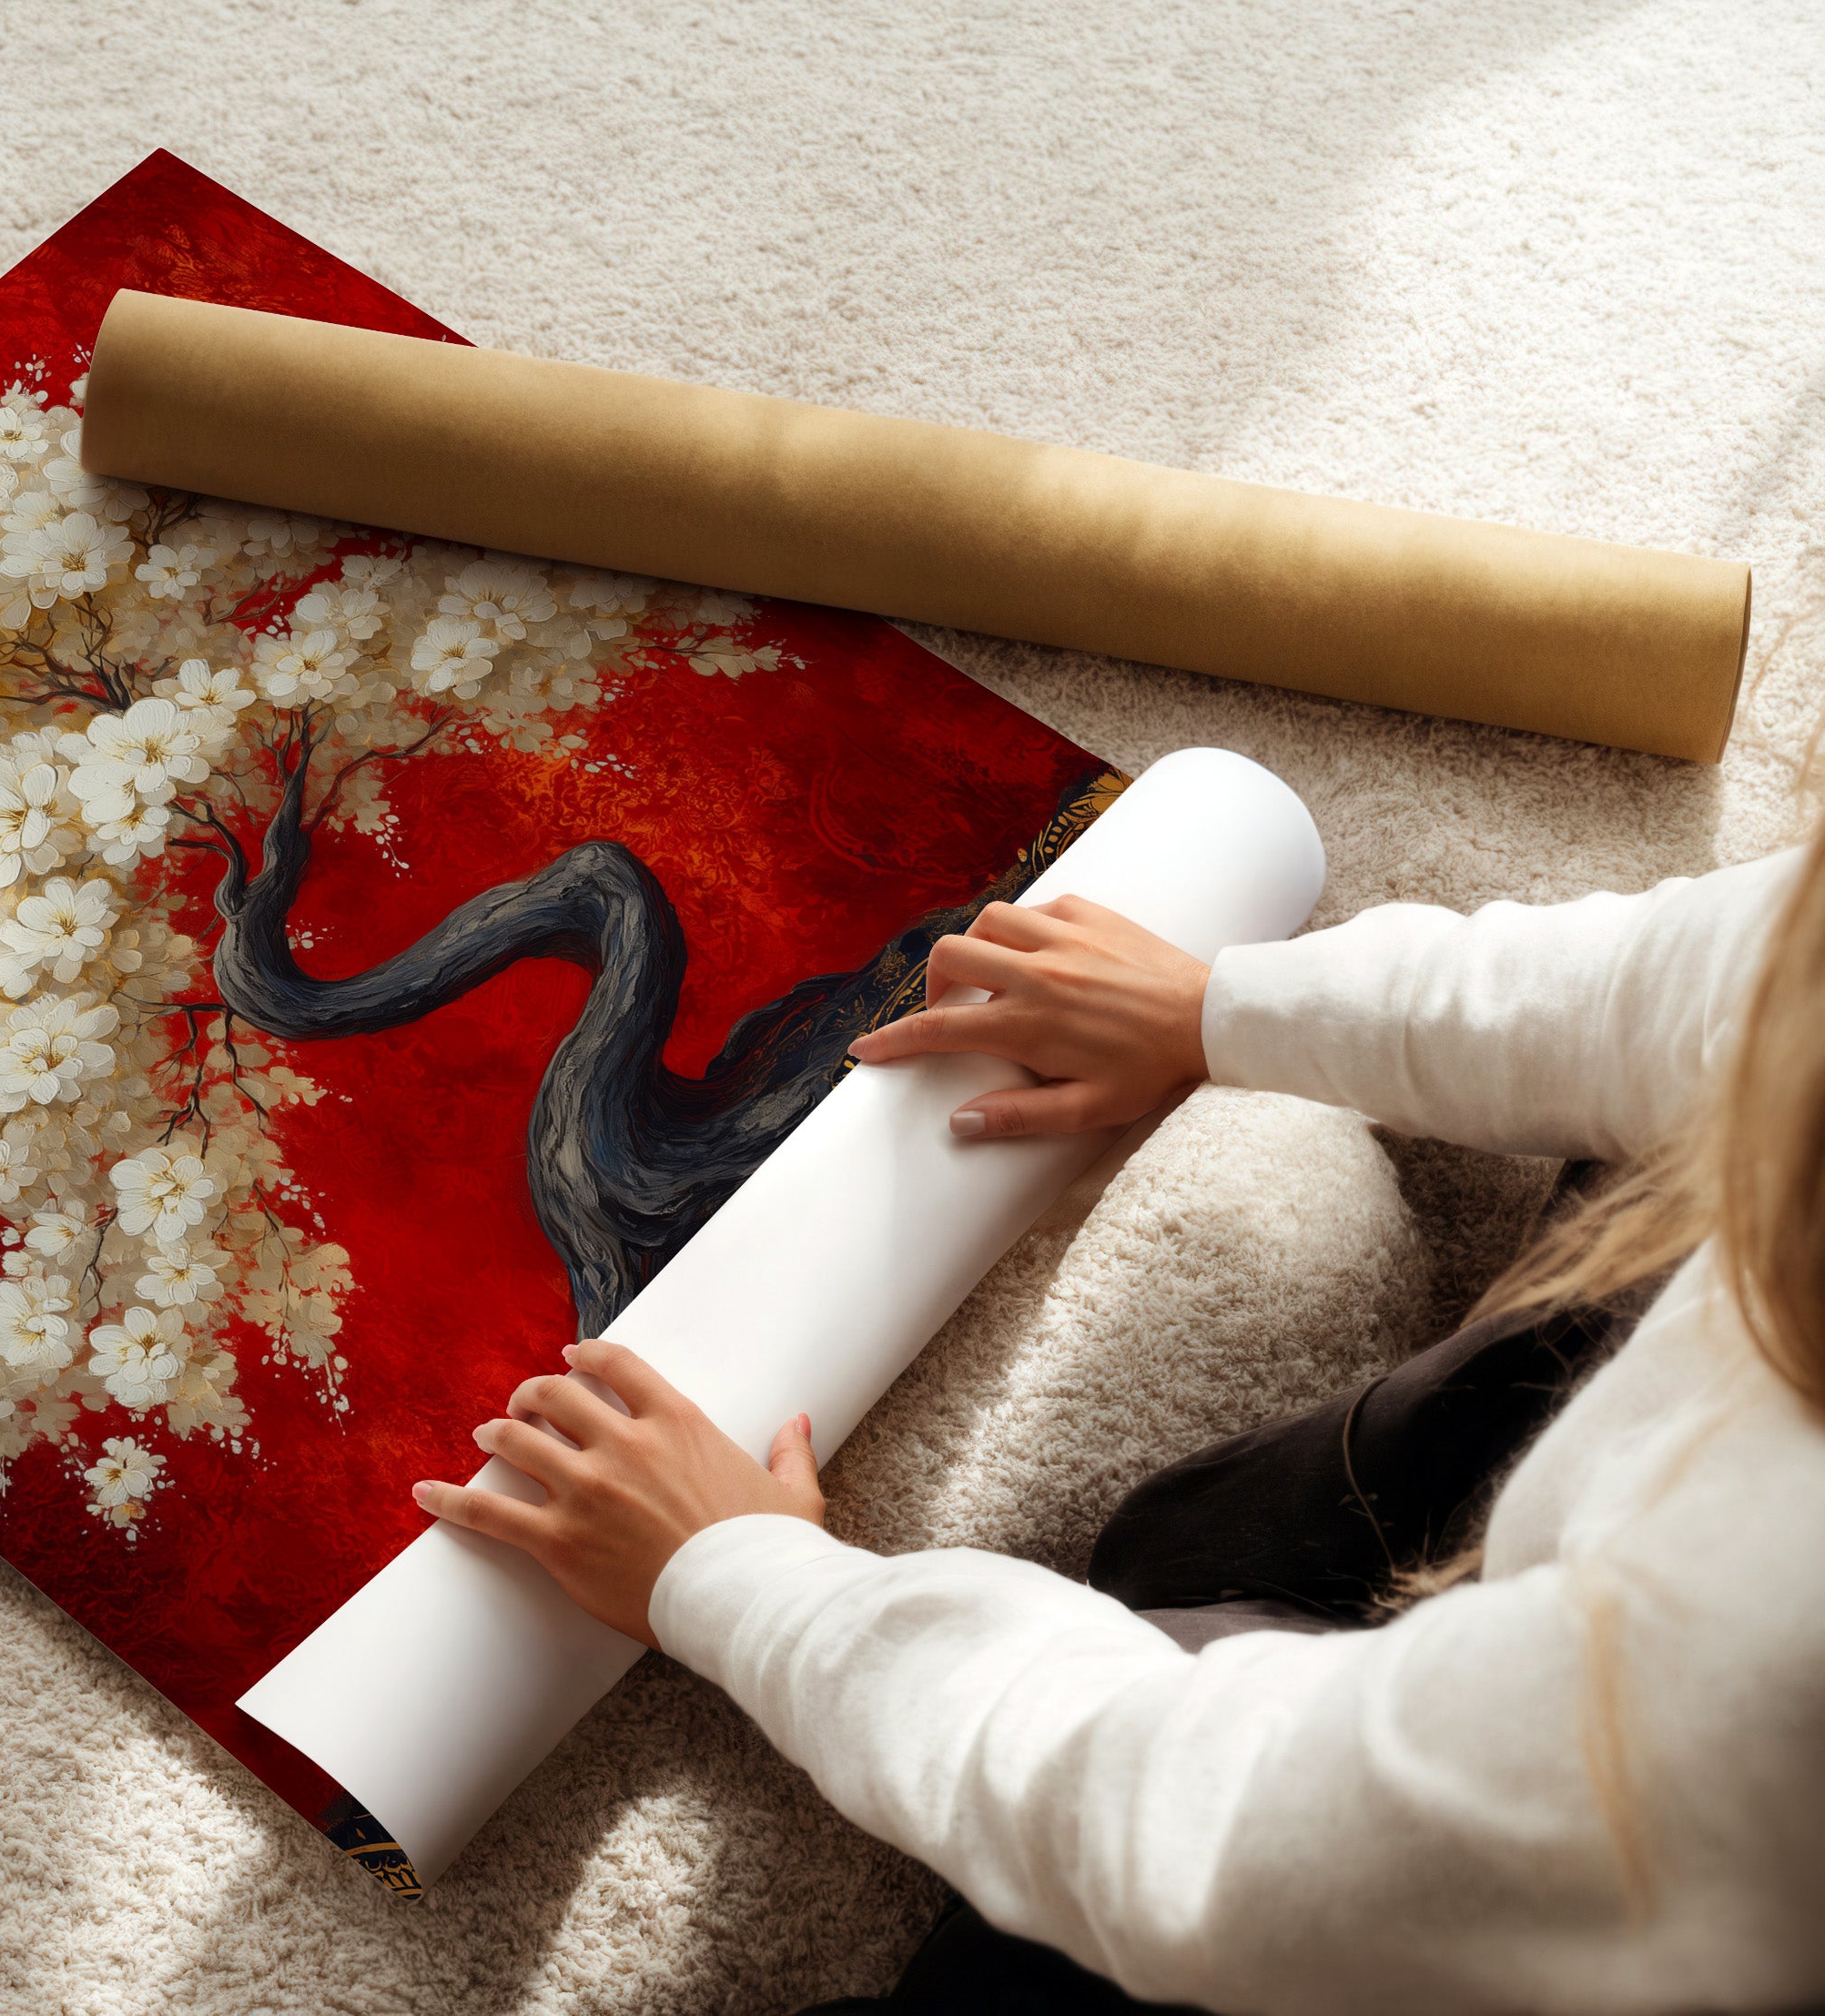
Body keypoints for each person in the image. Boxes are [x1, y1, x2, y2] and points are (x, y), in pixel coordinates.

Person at [412, 833, 1825, 2013]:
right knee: (1199, 1543)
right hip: (1623, 1593)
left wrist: (744, 1580)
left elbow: (1213, 1835)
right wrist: (1221, 1007)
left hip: (1608, 1889)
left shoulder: (1757, 1670)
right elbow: (1714, 978)